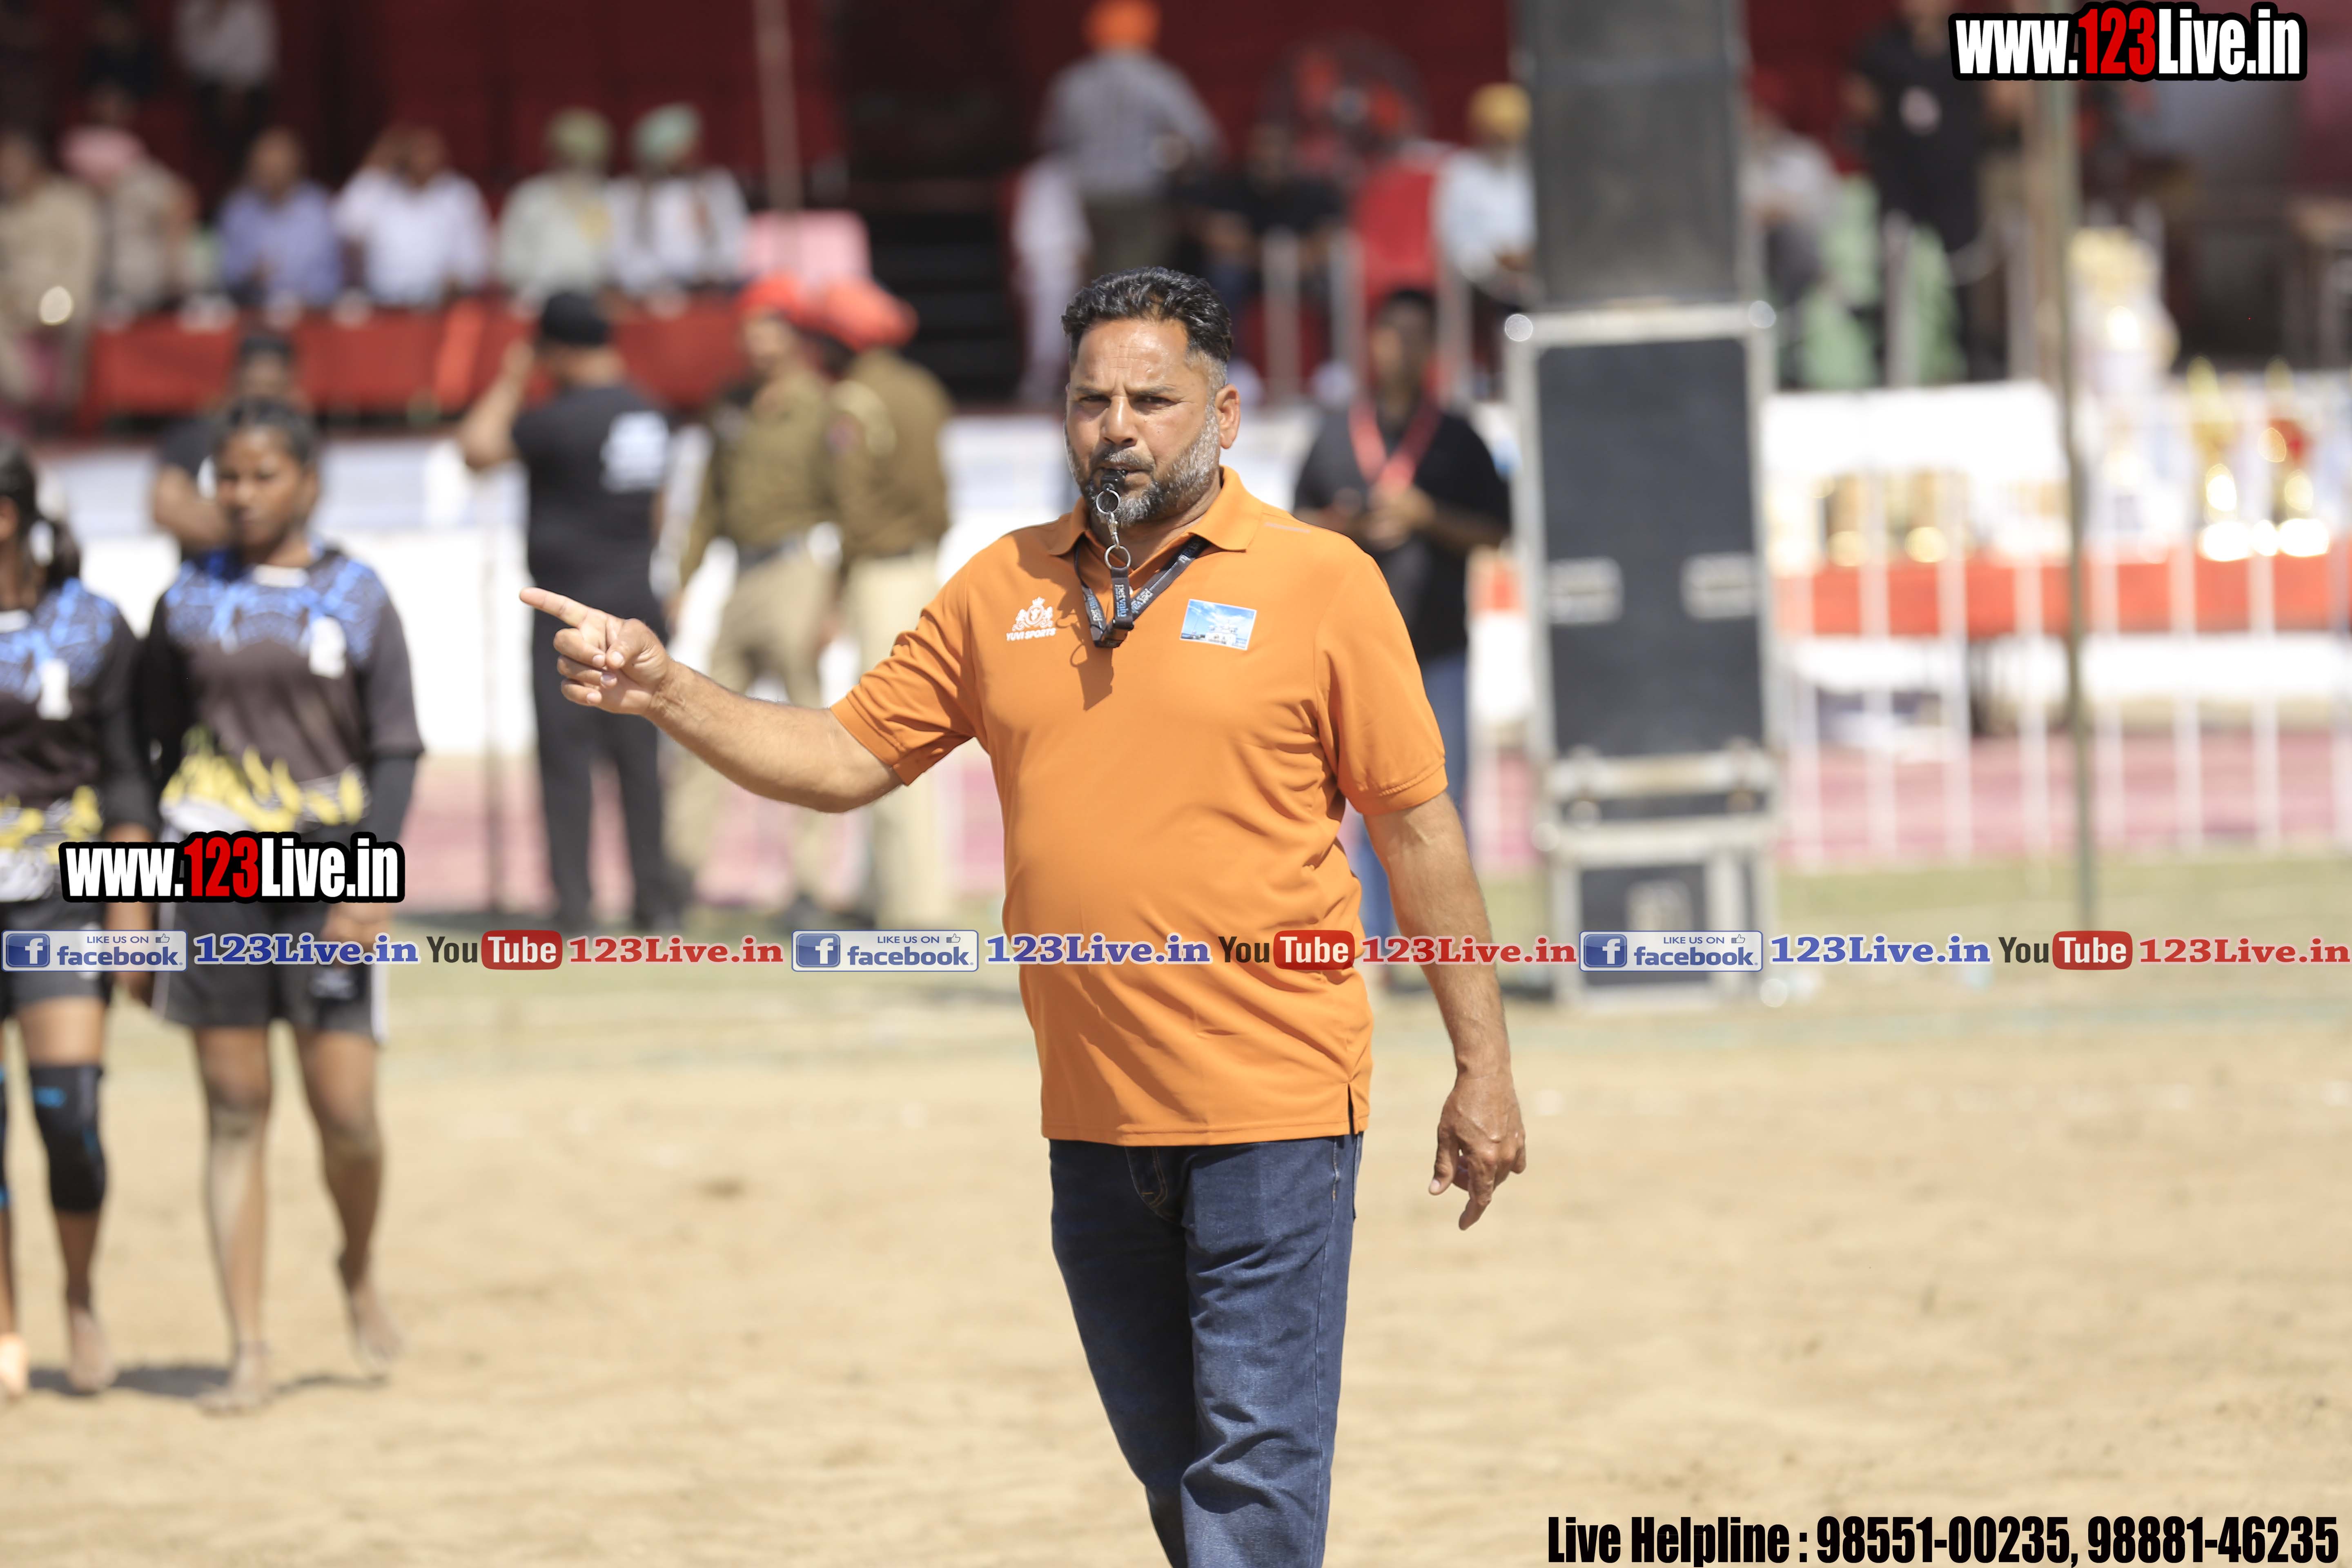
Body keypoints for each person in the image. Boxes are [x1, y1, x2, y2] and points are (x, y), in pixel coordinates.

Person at [523, 268, 1527, 1566]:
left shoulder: (1322, 582)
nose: (1119, 427)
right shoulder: (1000, 586)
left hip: (1274, 1110)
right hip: (1092, 1124)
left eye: (1152, 401)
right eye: (1091, 401)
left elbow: (1418, 828)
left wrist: (1484, 1065)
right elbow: (841, 756)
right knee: (1181, 1482)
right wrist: (667, 688)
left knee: (1250, 1482)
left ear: (1224, 414)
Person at [138, 399, 421, 1415]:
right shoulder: (185, 599)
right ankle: (247, 1346)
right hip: (212, 869)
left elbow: (396, 748)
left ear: (308, 481)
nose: (242, 494)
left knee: (346, 1114)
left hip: (329, 868)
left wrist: (369, 882)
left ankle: (356, 1261)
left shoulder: (357, 594)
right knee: (233, 1109)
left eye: (263, 475)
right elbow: (150, 748)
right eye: (227, 476)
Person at [0, 438, 156, 1403]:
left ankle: (81, 1298)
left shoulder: (92, 626)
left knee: (71, 1118)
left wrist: (133, 911)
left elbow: (130, 777)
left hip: (62, 900)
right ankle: (5, 1322)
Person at [1292, 288, 1507, 958]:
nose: (1404, 350)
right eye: (1393, 334)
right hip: (1352, 655)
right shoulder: (1335, 432)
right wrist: (1345, 525)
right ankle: (1377, 944)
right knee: (1356, 802)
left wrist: (1427, 516)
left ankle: (1446, 945)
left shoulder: (1458, 436)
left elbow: (1496, 530)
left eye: (1418, 336)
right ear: (1373, 342)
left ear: (1434, 349)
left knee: (1443, 800)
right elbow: (1295, 527)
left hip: (1438, 649)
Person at [459, 293, 677, 933]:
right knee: (640, 760)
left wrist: (511, 378)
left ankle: (575, 905)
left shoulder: (556, 419)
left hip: (566, 611)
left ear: (553, 350)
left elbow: (476, 448)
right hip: (635, 603)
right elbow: (659, 511)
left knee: (567, 761)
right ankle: (654, 901)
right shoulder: (651, 412)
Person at [664, 274, 838, 924]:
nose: (758, 340)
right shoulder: (730, 404)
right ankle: (680, 873)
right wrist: (684, 577)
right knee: (701, 720)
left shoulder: (823, 405)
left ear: (794, 335)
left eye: (770, 326)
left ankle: (809, 885)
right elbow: (708, 500)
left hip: (799, 568)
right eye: (750, 327)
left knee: (810, 735)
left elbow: (847, 503)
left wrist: (834, 601)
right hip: (741, 575)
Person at [802, 275, 955, 929]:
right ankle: (881, 891)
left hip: (878, 575)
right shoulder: (923, 388)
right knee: (920, 733)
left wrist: (833, 593)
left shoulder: (853, 401)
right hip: (925, 566)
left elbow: (854, 510)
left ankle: (911, 904)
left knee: (886, 740)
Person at [1846, 0, 1989, 374]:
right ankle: (1889, 358)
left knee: (1964, 269)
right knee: (1892, 268)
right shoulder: (1883, 48)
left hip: (1955, 179)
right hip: (1901, 177)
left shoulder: (1972, 43)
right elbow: (1860, 99)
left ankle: (1970, 356)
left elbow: (2002, 101)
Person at [1038, 0, 1221, 275]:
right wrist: (1176, 163)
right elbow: (1204, 140)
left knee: (1095, 282)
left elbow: (1049, 141)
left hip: (1085, 199)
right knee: (1132, 283)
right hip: (1141, 198)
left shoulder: (1072, 83)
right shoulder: (1158, 79)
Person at [151, 329, 301, 559]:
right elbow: (166, 508)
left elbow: (302, 508)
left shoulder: (298, 438)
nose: (244, 496)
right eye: (254, 386)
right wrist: (249, 529)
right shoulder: (194, 435)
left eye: (273, 389)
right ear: (236, 381)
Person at [1184, 120, 1344, 319]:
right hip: (1251, 272)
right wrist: (1269, 258)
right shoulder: (1230, 188)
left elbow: (1327, 240)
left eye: (1277, 145)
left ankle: (1340, 340)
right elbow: (1220, 239)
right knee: (1225, 275)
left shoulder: (1314, 192)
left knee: (1335, 277)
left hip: (1301, 270)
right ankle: (1224, 339)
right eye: (1263, 145)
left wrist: (1298, 258)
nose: (1270, 154)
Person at [0, 130, 101, 429]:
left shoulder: (71, 205)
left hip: (61, 301)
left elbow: (82, 269)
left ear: (35, 164)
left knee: (80, 320)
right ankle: (24, 397)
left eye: (12, 165)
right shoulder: (6, 211)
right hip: (11, 305)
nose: (6, 175)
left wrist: (53, 310)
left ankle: (60, 412)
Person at [334, 125, 490, 307]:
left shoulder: (459, 195)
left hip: (441, 305)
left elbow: (475, 262)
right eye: (417, 150)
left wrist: (456, 283)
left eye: (430, 150)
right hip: (382, 305)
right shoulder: (378, 189)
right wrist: (379, 161)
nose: (423, 158)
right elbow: (343, 226)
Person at [608, 104, 746, 297]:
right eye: (680, 146)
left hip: (710, 291)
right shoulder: (628, 193)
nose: (691, 152)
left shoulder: (715, 186)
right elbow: (620, 249)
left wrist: (713, 273)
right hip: (648, 293)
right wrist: (655, 282)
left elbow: (733, 237)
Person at [60, 123, 196, 316]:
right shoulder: (82, 196)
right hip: (108, 294)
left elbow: (181, 201)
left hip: (149, 288)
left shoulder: (141, 182)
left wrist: (173, 265)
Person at [1432, 82, 1536, 308]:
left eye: (1510, 133)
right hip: (1481, 287)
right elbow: (1454, 242)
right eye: (1497, 134)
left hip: (1536, 276)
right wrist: (1496, 261)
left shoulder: (1536, 171)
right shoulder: (1461, 173)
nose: (1504, 141)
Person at [498, 109, 617, 302]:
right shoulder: (529, 197)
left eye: (583, 158)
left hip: (596, 302)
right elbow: (508, 261)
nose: (576, 166)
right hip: (536, 301)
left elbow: (618, 260)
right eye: (569, 158)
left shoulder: (611, 198)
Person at [216, 126, 341, 309]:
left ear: (295, 165)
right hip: (251, 310)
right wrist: (250, 275)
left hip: (311, 312)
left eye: (276, 167)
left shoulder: (319, 209)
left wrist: (305, 298)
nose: (270, 173)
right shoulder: (237, 210)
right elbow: (224, 272)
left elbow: (331, 276)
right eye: (263, 166)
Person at [175, 0, 276, 183]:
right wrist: (212, 20)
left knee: (253, 110)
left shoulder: (253, 8)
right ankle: (218, 181)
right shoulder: (193, 8)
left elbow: (263, 59)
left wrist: (238, 86)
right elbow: (189, 59)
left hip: (250, 86)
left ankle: (254, 175)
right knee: (212, 111)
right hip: (208, 86)